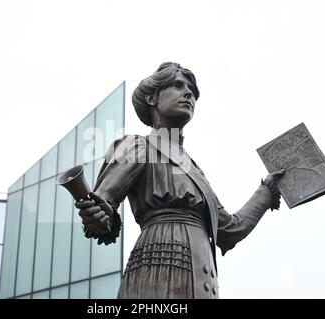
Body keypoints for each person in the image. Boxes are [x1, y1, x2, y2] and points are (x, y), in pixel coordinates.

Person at [75, 62, 284, 299]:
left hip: (202, 283)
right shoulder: (139, 146)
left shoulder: (194, 171)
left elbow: (230, 230)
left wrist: (267, 190)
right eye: (177, 85)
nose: (188, 93)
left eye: (192, 90)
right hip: (155, 275)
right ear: (152, 98)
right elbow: (103, 203)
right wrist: (99, 215)